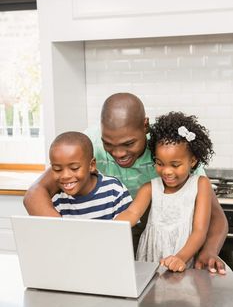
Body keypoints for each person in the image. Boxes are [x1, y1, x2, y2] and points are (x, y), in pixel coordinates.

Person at [23, 92, 228, 274]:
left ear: (145, 126)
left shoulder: (169, 147)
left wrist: (209, 251)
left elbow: (217, 219)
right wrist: (67, 235)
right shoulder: (89, 143)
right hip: (114, 235)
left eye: (129, 143)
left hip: (170, 240)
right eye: (108, 144)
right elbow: (35, 194)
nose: (119, 153)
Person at [115, 112, 215, 272]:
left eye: (175, 165)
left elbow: (199, 231)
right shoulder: (149, 188)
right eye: (160, 163)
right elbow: (132, 213)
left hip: (183, 258)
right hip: (150, 261)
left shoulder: (201, 184)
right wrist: (112, 226)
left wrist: (180, 258)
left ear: (193, 160)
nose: (167, 171)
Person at [48, 131, 132, 219]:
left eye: (74, 168)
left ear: (91, 165)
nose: (65, 176)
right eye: (57, 169)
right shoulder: (57, 200)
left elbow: (128, 229)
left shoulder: (114, 190)